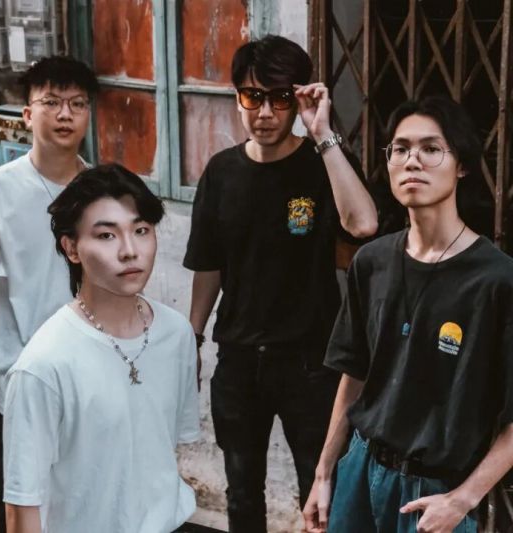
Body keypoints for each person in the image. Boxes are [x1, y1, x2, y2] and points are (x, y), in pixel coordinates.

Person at [183, 34, 378, 532]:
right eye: (253, 97)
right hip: (239, 360)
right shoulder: (221, 172)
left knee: (320, 491)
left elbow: (363, 225)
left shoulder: (321, 163)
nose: (266, 112)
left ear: (299, 98)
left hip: (310, 362)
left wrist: (323, 133)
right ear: (237, 98)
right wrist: (193, 337)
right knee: (242, 493)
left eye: (280, 98)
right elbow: (209, 265)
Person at [303, 95, 513, 533]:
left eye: (431, 149)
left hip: (433, 490)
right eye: (400, 149)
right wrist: (324, 473)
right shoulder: (372, 262)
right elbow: (355, 374)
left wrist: (463, 498)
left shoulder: (497, 281)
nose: (412, 160)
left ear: (462, 165)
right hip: (360, 470)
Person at [2, 163, 201, 533]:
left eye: (141, 230)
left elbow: (161, 453)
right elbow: (22, 504)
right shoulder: (43, 365)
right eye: (107, 235)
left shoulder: (176, 334)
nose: (130, 251)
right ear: (71, 248)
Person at [0, 55, 99, 533]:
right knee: (18, 509)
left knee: (84, 504)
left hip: (90, 380)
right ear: (27, 114)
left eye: (77, 103)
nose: (65, 114)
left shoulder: (102, 191)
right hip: (20, 381)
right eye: (51, 102)